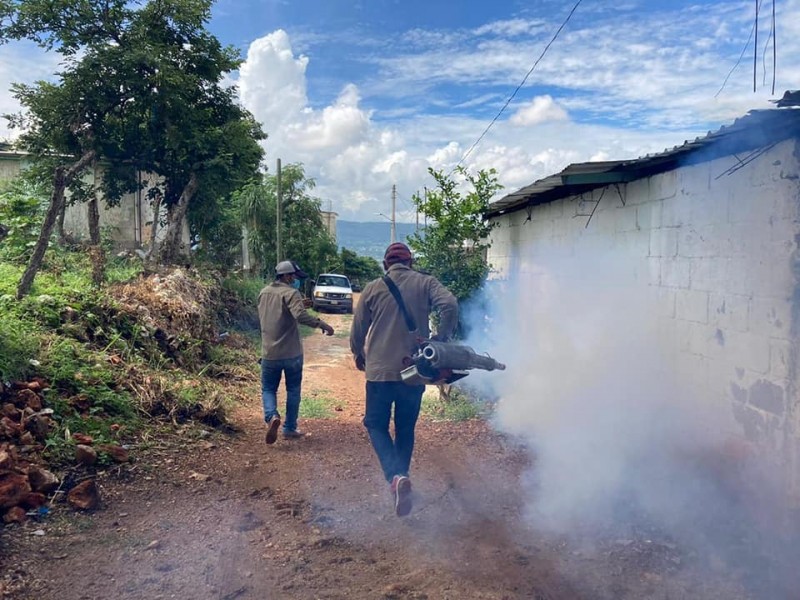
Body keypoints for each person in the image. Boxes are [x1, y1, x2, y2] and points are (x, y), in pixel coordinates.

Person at [350, 242, 458, 517]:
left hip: (380, 371)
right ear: (410, 262)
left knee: (375, 423)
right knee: (405, 427)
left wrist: (357, 353)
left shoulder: (373, 288)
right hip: (415, 370)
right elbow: (450, 304)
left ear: (386, 264)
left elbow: (358, 328)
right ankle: (402, 477)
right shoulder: (426, 282)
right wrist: (441, 339)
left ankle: (395, 478)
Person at [258, 260, 334, 444]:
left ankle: (272, 416)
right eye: (292, 276)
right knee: (293, 390)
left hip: (269, 353)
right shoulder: (291, 293)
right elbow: (299, 315)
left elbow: (275, 314)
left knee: (268, 388)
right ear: (285, 275)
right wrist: (321, 323)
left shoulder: (263, 292)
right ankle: (290, 427)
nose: (294, 280)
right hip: (291, 353)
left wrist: (301, 304)